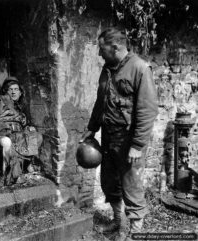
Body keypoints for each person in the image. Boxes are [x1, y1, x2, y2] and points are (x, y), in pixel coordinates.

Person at [80, 28, 158, 240]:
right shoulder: (107, 69)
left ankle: (136, 234)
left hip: (128, 140)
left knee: (131, 185)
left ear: (115, 47)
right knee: (109, 182)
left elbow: (148, 110)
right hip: (108, 136)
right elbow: (100, 101)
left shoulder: (140, 68)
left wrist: (138, 145)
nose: (99, 53)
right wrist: (92, 127)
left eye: (101, 48)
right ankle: (118, 223)